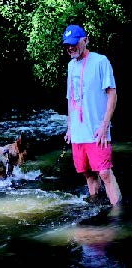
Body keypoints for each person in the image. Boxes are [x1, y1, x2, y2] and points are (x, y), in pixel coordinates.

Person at [62, 24, 122, 207]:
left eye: (74, 43)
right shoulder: (70, 66)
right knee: (87, 172)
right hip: (78, 132)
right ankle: (95, 207)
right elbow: (70, 99)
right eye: (67, 44)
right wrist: (70, 128)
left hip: (97, 129)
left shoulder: (100, 61)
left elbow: (112, 93)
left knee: (105, 173)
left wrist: (105, 125)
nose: (70, 48)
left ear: (85, 40)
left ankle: (118, 214)